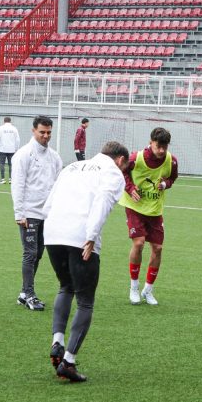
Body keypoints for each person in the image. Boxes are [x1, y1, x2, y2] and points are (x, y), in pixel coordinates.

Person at [43, 141, 130, 382]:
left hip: (52, 233)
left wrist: (50, 230)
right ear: (120, 160)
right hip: (80, 235)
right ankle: (68, 362)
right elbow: (103, 200)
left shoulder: (72, 167)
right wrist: (91, 236)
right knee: (85, 302)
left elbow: (49, 203)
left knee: (65, 286)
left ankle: (57, 342)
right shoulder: (113, 172)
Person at [120, 127, 178, 305]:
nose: (161, 150)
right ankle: (134, 287)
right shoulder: (135, 158)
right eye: (158, 146)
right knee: (138, 243)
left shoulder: (171, 160)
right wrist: (130, 188)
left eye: (164, 147)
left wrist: (165, 184)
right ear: (150, 142)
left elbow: (172, 178)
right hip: (135, 207)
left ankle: (148, 290)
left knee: (158, 248)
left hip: (154, 209)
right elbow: (122, 171)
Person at [11, 115, 63, 312]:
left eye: (49, 132)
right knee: (30, 253)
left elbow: (57, 185)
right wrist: (19, 213)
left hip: (47, 214)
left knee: (39, 253)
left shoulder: (54, 156)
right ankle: (30, 294)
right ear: (33, 131)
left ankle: (24, 293)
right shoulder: (23, 154)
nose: (46, 136)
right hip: (29, 212)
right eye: (42, 132)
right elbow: (17, 185)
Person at [0, 116, 21, 184]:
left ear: (4, 121)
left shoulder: (1, 128)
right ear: (10, 121)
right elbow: (17, 139)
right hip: (12, 150)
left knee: (2, 164)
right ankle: (11, 179)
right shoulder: (14, 128)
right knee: (11, 165)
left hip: (2, 149)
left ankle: (2, 179)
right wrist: (16, 149)